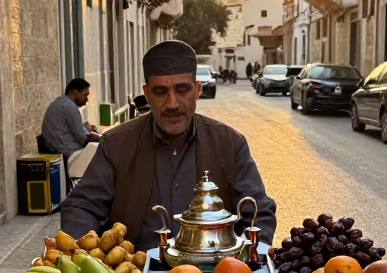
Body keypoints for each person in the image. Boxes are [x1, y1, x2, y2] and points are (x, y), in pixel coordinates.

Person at [60, 40, 276, 250]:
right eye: (161, 92)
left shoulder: (229, 144)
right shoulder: (116, 144)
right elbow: (81, 206)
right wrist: (86, 255)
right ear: (146, 94)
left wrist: (243, 262)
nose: (172, 104)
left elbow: (258, 213)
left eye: (182, 90)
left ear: (197, 91)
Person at [40, 78, 101, 178]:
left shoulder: (59, 103)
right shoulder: (69, 107)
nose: (86, 99)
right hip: (67, 153)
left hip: (57, 148)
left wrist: (85, 128)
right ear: (75, 93)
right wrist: (100, 139)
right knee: (101, 151)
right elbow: (82, 138)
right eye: (85, 95)